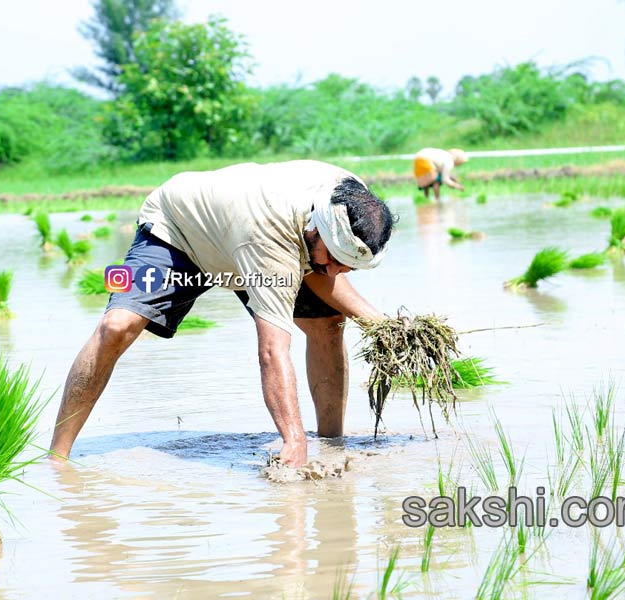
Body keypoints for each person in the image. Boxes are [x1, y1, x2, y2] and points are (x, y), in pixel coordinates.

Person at [49, 160, 396, 467]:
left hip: (250, 236)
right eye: (334, 260)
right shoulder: (270, 240)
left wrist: (387, 329)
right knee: (117, 326)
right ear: (315, 229)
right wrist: (292, 438)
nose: (336, 272)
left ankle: (331, 442)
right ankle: (57, 458)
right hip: (179, 233)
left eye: (348, 267)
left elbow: (316, 270)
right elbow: (272, 351)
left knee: (329, 324)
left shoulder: (354, 201)